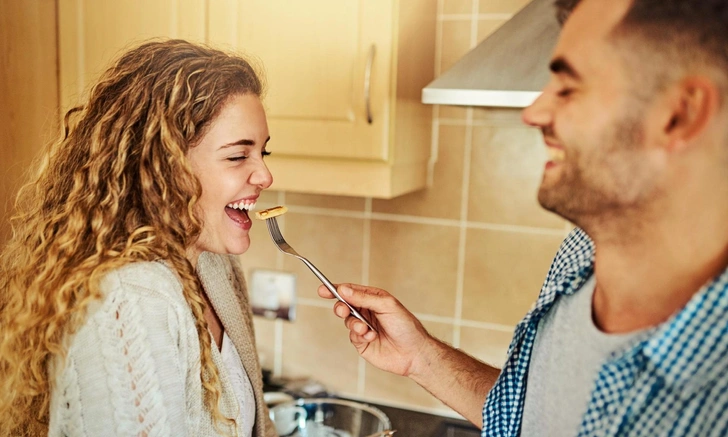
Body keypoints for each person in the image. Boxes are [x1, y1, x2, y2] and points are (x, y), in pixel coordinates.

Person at [319, 0, 728, 435]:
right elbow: (528, 417)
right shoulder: (581, 252)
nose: (533, 113)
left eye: (569, 88)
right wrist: (422, 357)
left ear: (681, 113)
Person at [0, 39, 278, 437]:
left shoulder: (213, 263)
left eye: (263, 153)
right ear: (164, 166)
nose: (265, 176)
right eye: (238, 155)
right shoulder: (127, 299)